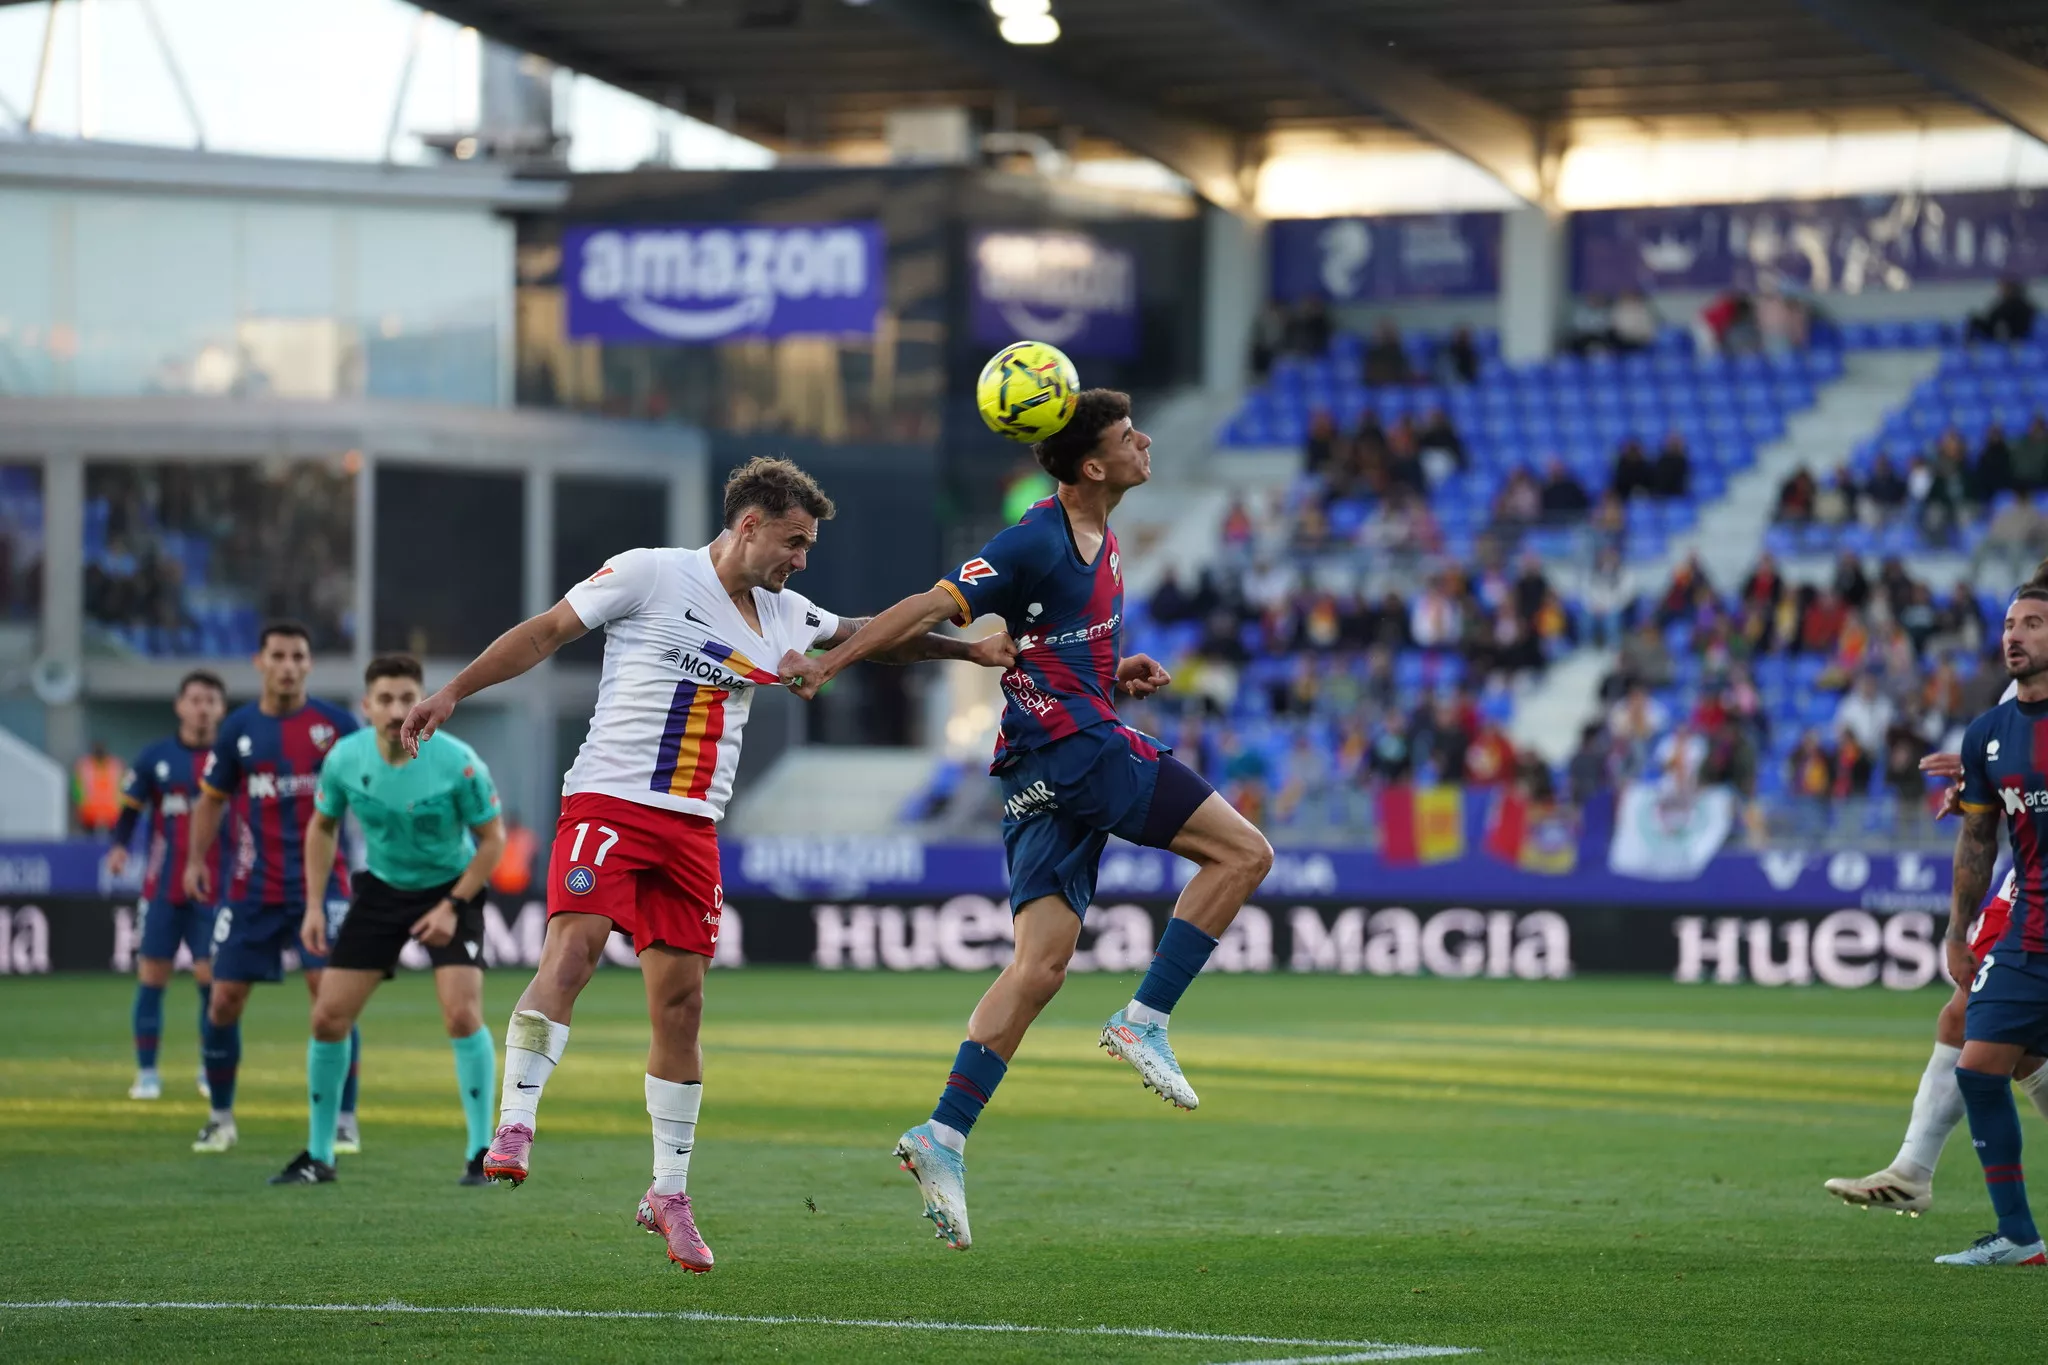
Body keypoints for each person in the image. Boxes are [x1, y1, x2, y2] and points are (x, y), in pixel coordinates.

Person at [396, 457, 1011, 1271]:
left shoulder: (787, 614)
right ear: (748, 524)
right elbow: (546, 631)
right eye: (794, 541)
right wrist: (452, 693)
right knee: (572, 952)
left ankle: (668, 1193)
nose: (802, 559)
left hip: (693, 829)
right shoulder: (652, 574)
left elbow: (868, 638)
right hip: (609, 802)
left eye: (809, 546)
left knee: (680, 1007)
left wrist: (968, 653)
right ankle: (515, 1122)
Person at [780, 390, 1273, 1253]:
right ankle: (1146, 1017)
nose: (1144, 441)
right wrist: (834, 663)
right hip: (1075, 750)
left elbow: (1056, 643)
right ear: (1092, 465)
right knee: (1243, 854)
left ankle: (944, 1132)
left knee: (1039, 966)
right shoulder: (1034, 537)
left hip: (1038, 760)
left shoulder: (1101, 535)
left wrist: (1118, 672)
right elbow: (928, 606)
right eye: (1128, 437)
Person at [268, 655, 506, 1187]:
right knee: (328, 1018)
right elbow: (322, 827)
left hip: (451, 887)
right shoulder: (344, 759)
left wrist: (452, 907)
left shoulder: (459, 762)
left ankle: (481, 1153)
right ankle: (318, 1154)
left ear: (423, 703)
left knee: (461, 1015)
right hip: (381, 892)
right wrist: (312, 905)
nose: (398, 708)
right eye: (386, 699)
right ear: (366, 706)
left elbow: (494, 842)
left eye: (408, 697)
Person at [182, 623, 359, 1156]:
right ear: (260, 662)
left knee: (331, 1005)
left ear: (309, 664)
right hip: (251, 888)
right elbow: (211, 799)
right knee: (223, 1001)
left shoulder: (337, 725)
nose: (287, 665)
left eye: (297, 656)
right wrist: (194, 860)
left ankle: (344, 1120)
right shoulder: (238, 729)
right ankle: (220, 1118)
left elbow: (371, 788)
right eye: (278, 655)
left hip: (325, 888)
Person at [1928, 585, 2048, 1264]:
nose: (2015, 635)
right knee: (1979, 1068)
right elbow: (1978, 838)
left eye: (2032, 623)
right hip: (2030, 928)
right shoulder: (1988, 734)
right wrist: (1956, 930)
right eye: (2009, 624)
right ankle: (2020, 1237)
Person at [111, 670, 230, 1102]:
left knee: (210, 980)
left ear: (221, 708)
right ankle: (146, 1074)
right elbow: (128, 810)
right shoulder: (154, 757)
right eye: (195, 699)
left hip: (215, 887)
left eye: (210, 700)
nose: (202, 708)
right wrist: (119, 846)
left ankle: (208, 1066)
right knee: (152, 976)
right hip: (163, 886)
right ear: (180, 706)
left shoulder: (230, 756)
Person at [74, 741, 124, 836]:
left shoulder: (116, 765)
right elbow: (77, 791)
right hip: (89, 816)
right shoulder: (84, 766)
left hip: (112, 816)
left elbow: (124, 789)